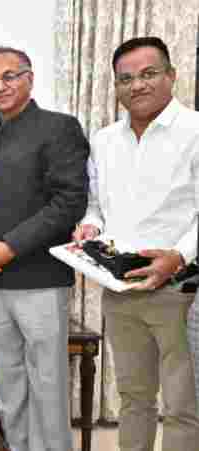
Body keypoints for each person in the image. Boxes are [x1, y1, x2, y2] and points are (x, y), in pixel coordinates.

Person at [74, 36, 199, 450]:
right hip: (120, 289)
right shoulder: (105, 139)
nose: (137, 85)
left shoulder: (195, 131)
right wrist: (89, 228)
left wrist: (178, 256)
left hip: (180, 290)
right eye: (125, 79)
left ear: (171, 75)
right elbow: (97, 207)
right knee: (133, 398)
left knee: (183, 405)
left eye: (148, 74)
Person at [0, 46, 89, 451]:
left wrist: (11, 246)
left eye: (9, 76)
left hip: (41, 278)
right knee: (8, 382)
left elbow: (69, 201)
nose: (0, 86)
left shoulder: (59, 128)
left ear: (29, 79)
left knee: (47, 382)